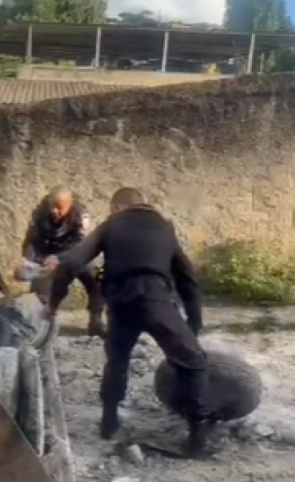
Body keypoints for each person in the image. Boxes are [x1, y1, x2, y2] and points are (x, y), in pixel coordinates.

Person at [43, 187, 212, 457]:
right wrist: (193, 325)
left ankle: (109, 423)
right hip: (158, 303)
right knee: (193, 362)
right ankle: (198, 437)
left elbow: (71, 262)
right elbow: (187, 278)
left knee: (118, 360)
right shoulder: (164, 227)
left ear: (117, 208)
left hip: (122, 306)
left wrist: (53, 304)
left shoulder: (111, 225)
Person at [20, 187, 106, 338]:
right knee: (39, 295)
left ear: (69, 204)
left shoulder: (80, 214)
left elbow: (83, 246)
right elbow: (30, 243)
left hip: (75, 256)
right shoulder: (39, 214)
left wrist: (59, 259)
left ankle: (96, 320)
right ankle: (41, 325)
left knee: (97, 277)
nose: (54, 211)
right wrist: (30, 262)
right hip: (47, 256)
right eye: (52, 206)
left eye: (59, 207)